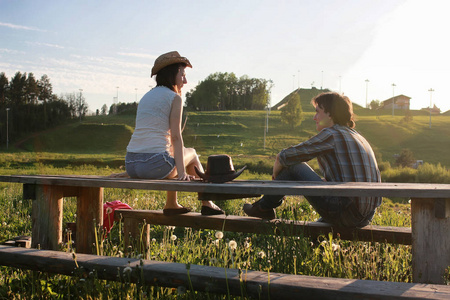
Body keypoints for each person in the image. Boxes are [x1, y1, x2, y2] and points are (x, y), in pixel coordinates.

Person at [243, 92, 381, 228]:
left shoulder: (332, 134)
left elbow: (284, 157)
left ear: (330, 114)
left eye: (317, 112)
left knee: (294, 166)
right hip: (366, 217)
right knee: (315, 231)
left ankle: (263, 208)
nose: (314, 117)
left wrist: (276, 181)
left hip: (345, 212)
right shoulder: (359, 137)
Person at [123, 51, 224, 216]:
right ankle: (207, 203)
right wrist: (182, 173)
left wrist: (135, 167)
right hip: (154, 165)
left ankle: (172, 203)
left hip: (131, 164)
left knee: (170, 153)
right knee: (191, 153)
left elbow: (148, 137)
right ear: (172, 74)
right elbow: (176, 137)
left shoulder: (146, 97)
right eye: (182, 75)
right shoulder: (173, 98)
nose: (185, 80)